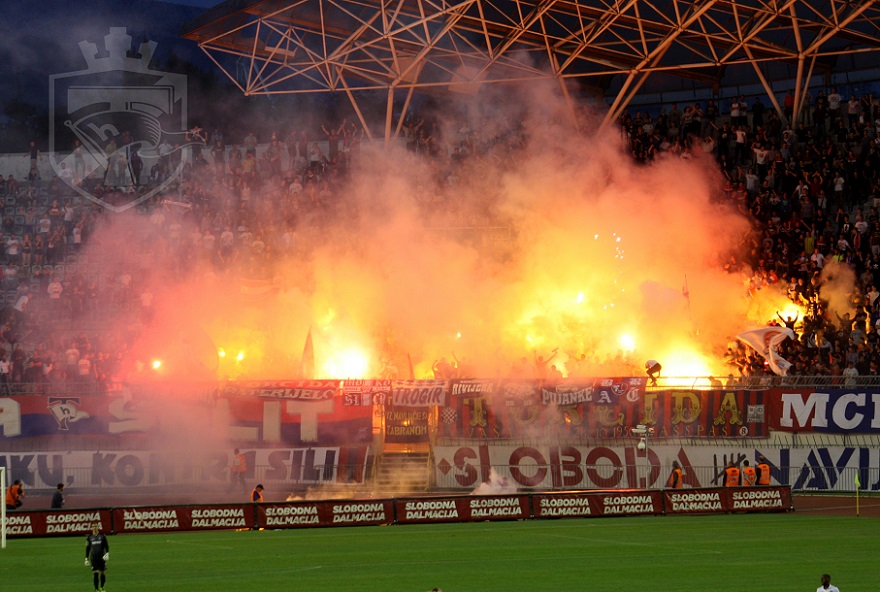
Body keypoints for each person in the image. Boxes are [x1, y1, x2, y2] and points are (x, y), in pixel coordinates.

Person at [85, 522, 110, 592]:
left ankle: (102, 587)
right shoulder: (89, 537)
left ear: (98, 527)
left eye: (96, 526)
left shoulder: (102, 536)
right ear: (91, 528)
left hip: (102, 557)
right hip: (93, 558)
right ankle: (96, 589)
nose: (94, 528)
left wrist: (107, 553)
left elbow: (106, 546)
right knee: (95, 573)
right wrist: (86, 558)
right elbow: (87, 548)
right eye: (93, 526)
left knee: (103, 572)